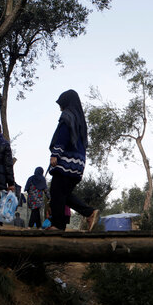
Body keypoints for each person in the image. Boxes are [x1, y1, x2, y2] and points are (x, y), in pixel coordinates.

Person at [48, 89, 100, 231]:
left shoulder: (68, 116)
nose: (60, 108)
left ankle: (57, 226)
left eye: (61, 104)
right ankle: (89, 213)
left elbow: (63, 136)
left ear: (66, 102)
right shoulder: (80, 120)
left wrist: (56, 154)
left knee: (56, 192)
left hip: (66, 161)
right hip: (78, 164)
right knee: (64, 194)